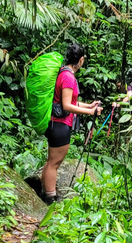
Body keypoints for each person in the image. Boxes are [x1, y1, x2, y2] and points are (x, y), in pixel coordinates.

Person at [41, 44, 102, 205]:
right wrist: (91, 113)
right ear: (80, 60)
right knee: (54, 163)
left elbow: (69, 102)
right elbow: (67, 106)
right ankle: (50, 198)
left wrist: (88, 106)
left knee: (51, 162)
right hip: (60, 125)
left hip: (56, 123)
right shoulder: (69, 77)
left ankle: (46, 192)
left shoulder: (63, 73)